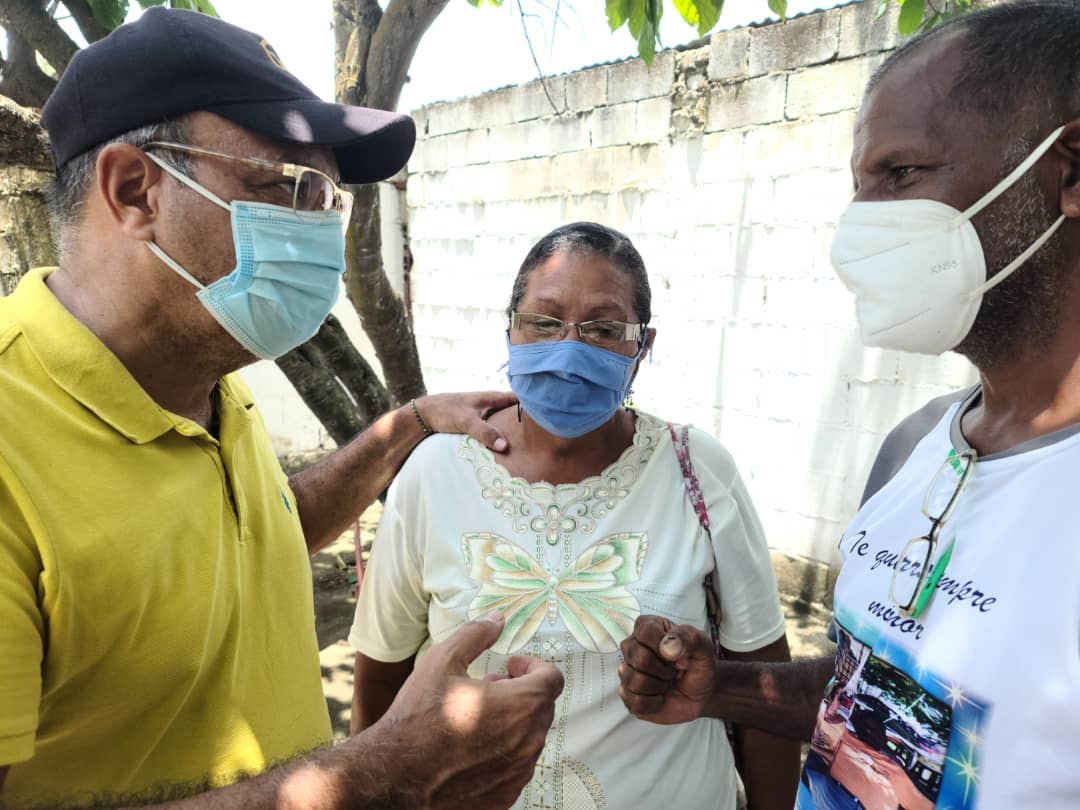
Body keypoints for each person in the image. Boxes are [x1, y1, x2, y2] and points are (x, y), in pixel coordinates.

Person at [0, 8, 564, 809]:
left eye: (328, 196)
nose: (321, 228)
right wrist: (379, 774)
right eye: (289, 187)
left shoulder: (206, 379)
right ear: (134, 190)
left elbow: (254, 536)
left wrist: (404, 426)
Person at [618, 2, 1080, 808]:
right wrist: (719, 687)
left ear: (1070, 171)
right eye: (860, 185)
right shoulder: (914, 450)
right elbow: (876, 689)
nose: (856, 229)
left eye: (900, 175)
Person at [348, 222, 801, 810]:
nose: (568, 350)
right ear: (509, 327)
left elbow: (762, 687)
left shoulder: (697, 471)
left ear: (643, 346)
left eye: (604, 328)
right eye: (544, 321)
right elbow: (381, 675)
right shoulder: (435, 473)